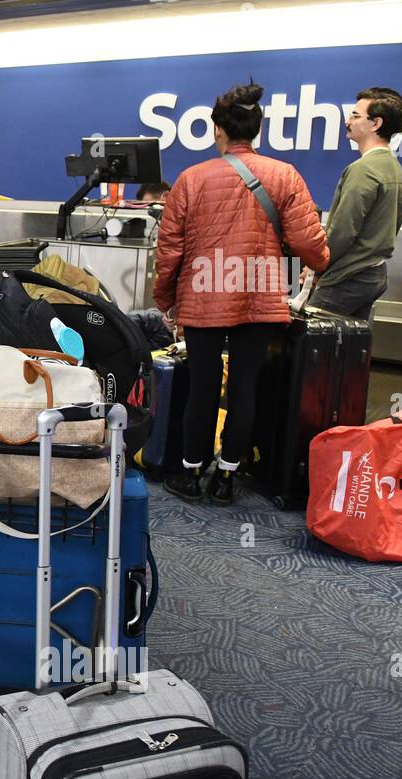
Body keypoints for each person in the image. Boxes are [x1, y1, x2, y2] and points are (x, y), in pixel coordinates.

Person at [153, 82, 330, 506]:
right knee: (246, 387)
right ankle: (228, 479)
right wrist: (319, 261)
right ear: (257, 130)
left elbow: (170, 251)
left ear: (218, 131)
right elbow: (308, 239)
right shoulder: (284, 174)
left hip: (203, 297)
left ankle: (192, 473)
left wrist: (165, 299)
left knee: (202, 386)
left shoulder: (191, 180)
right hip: (261, 295)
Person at [310, 87, 402, 322]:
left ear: (376, 123)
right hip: (373, 274)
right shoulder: (393, 168)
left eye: (355, 116)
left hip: (347, 277)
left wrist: (317, 266)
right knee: (347, 352)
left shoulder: (363, 170)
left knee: (309, 347)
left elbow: (343, 230)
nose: (348, 121)